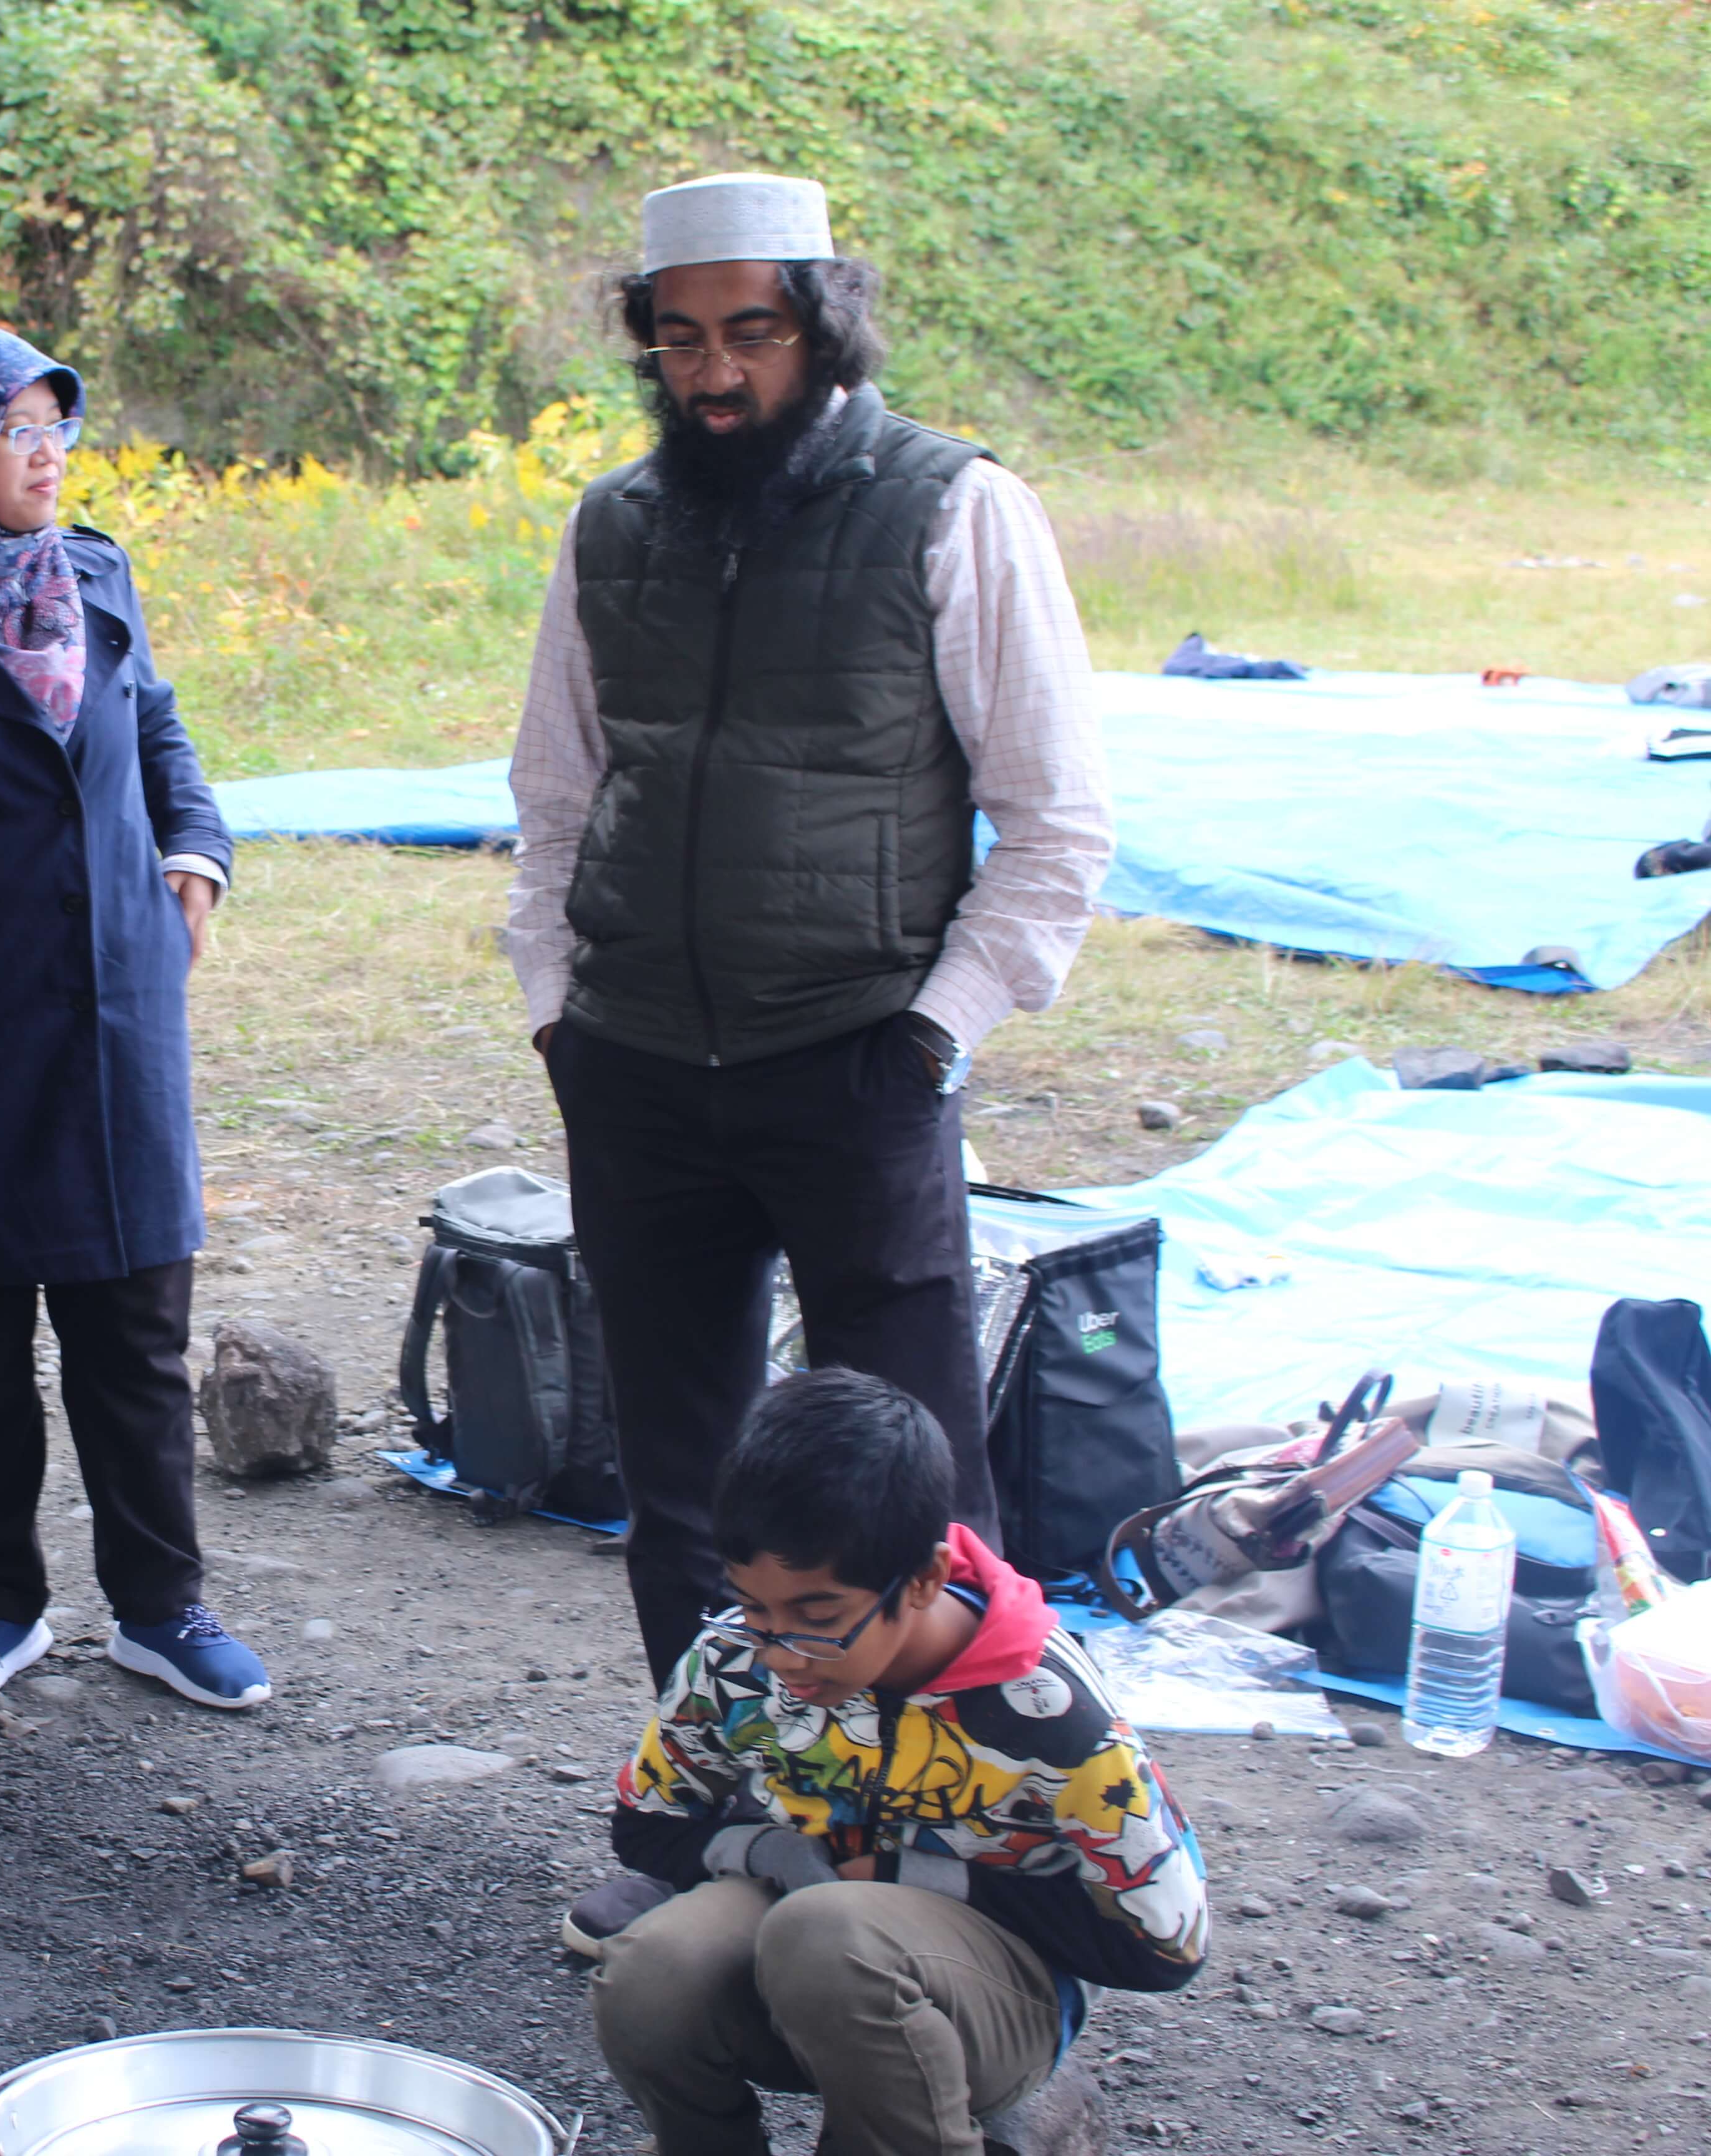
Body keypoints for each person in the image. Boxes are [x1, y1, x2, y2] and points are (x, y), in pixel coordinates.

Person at [503, 171, 1113, 1689]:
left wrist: (931, 1034)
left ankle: (937, 1826)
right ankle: (713, 1803)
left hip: (857, 1063)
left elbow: (1053, 818)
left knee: (912, 1496)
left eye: (751, 332)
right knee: (681, 1492)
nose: (713, 374)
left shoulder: (957, 505)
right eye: (680, 338)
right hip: (636, 1066)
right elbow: (555, 795)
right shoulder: (611, 528)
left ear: (821, 324)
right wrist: (556, 1010)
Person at [0, 322, 268, 1712]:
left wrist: (195, 849)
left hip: (117, 1010)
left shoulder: (92, 571)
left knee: (134, 1331)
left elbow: (156, 729)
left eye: (56, 428)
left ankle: (163, 1608)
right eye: (17, 431)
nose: (48, 456)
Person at [571, 1369, 1206, 2156]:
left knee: (829, 1933)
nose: (782, 1654)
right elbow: (646, 1825)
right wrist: (777, 1852)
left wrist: (910, 1878)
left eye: (818, 1617)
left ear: (927, 1578)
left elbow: (1164, 1946)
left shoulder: (1050, 1713)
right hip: (805, 1956)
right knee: (650, 1969)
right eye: (754, 1607)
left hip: (987, 2004)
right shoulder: (735, 1659)